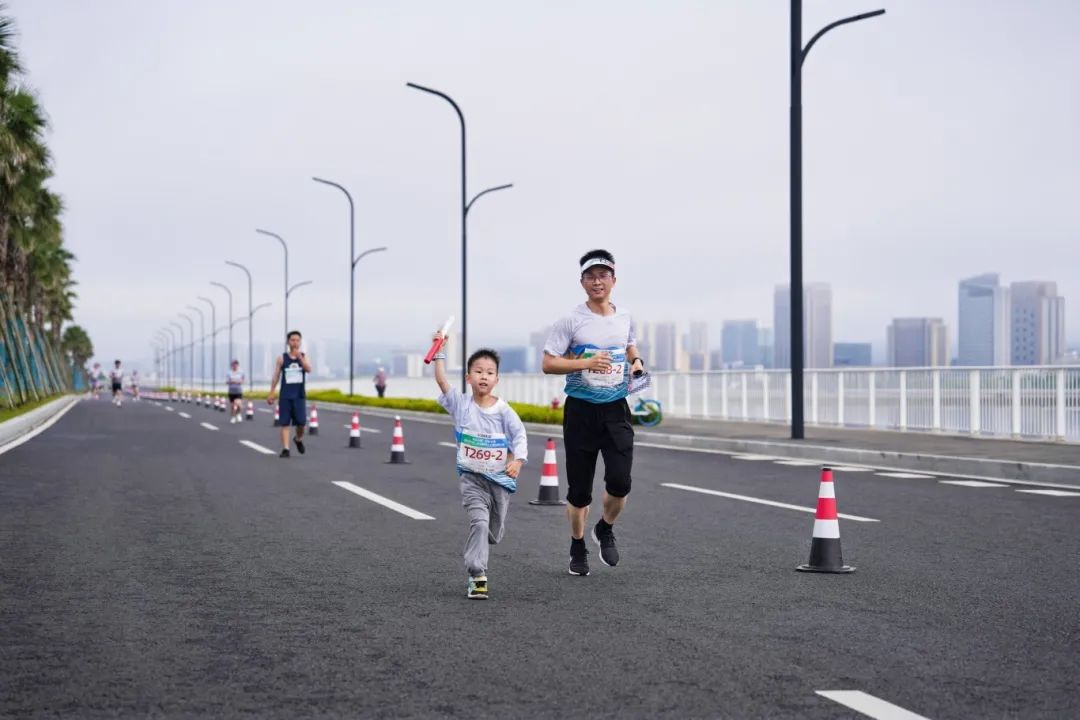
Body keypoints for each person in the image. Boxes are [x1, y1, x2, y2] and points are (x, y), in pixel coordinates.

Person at [542, 249, 644, 576]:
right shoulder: (571, 321)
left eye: (603, 275)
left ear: (614, 279)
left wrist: (636, 361)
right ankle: (577, 543)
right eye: (591, 276)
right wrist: (585, 362)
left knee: (620, 481)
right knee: (579, 491)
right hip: (581, 413)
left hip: (616, 410)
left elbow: (629, 343)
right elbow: (548, 362)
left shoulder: (624, 315)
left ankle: (604, 528)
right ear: (582, 282)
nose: (597, 281)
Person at [433, 332, 527, 600]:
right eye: (478, 371)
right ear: (468, 377)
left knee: (493, 532)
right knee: (479, 521)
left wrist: (518, 461)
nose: (484, 376)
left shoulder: (504, 412)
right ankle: (477, 574)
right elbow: (441, 380)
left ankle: (481, 550)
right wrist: (440, 350)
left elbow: (519, 436)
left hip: (499, 481)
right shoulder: (461, 405)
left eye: (489, 372)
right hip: (471, 479)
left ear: (497, 379)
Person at [267, 331, 312, 458]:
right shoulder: (281, 358)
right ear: (288, 342)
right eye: (292, 340)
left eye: (297, 340)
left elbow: (309, 369)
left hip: (299, 396)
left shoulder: (303, 356)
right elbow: (276, 376)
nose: (295, 342)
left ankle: (298, 439)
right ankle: (286, 449)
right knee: (285, 423)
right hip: (285, 396)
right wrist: (271, 392)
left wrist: (300, 358)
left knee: (301, 423)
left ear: (300, 342)